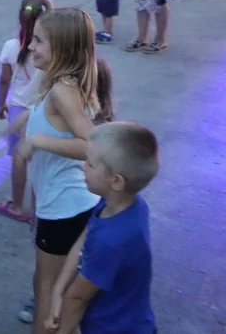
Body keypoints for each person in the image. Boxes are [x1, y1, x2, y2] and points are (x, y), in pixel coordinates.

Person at [14, 8, 102, 334]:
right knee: (47, 284)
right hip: (59, 206)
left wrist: (37, 141)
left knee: (48, 290)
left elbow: (93, 144)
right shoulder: (58, 84)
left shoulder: (64, 89)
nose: (31, 46)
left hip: (68, 208)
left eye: (39, 40)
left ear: (62, 48)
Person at [48, 122, 159, 334]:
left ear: (116, 181)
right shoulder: (120, 204)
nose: (83, 166)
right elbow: (85, 238)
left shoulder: (112, 241)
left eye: (90, 164)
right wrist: (57, 291)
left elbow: (78, 297)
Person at [0, 0, 52, 223]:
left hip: (18, 109)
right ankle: (40, 209)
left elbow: (4, 80)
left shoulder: (11, 47)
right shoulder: (53, 47)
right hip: (45, 109)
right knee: (41, 161)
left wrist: (1, 104)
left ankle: (17, 205)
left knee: (19, 158)